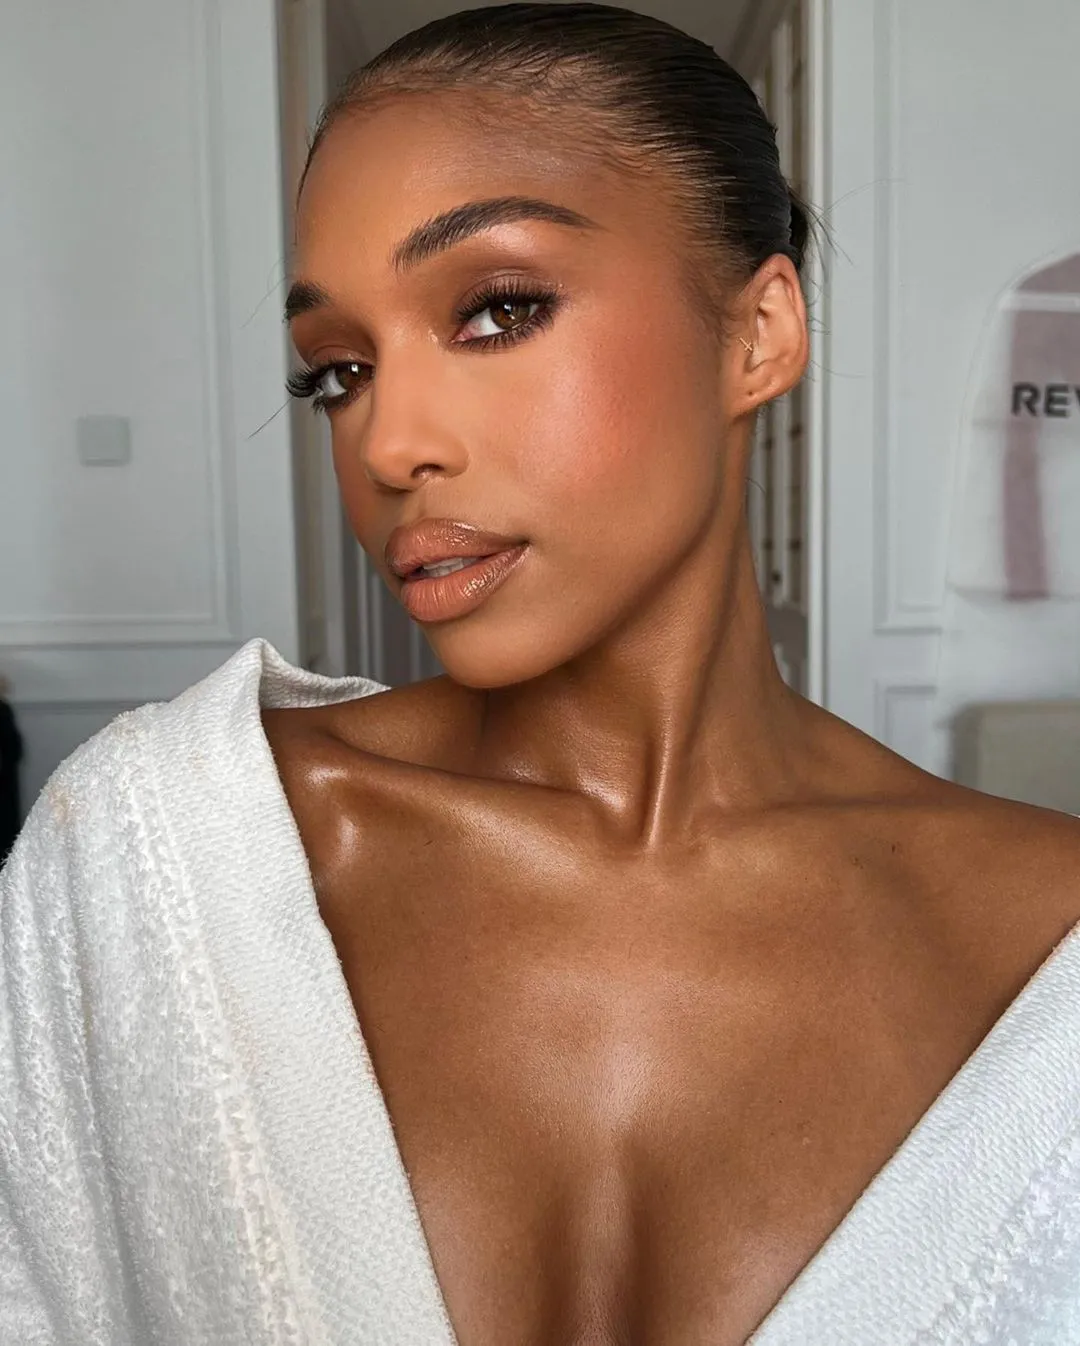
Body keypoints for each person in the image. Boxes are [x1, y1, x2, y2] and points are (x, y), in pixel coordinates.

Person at [4, 4, 1080, 1344]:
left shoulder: (1050, 949)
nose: (387, 443)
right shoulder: (154, 852)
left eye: (498, 310)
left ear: (758, 334)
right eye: (338, 371)